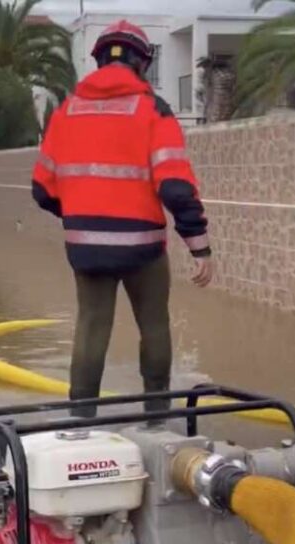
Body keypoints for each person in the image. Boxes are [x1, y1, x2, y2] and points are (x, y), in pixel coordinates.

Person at [31, 20, 213, 419]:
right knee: (154, 325)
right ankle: (156, 415)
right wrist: (200, 246)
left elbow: (43, 191)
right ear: (142, 63)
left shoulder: (65, 112)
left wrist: (81, 213)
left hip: (85, 246)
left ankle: (80, 420)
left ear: (98, 61)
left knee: (92, 325)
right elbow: (175, 187)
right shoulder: (153, 110)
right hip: (142, 246)